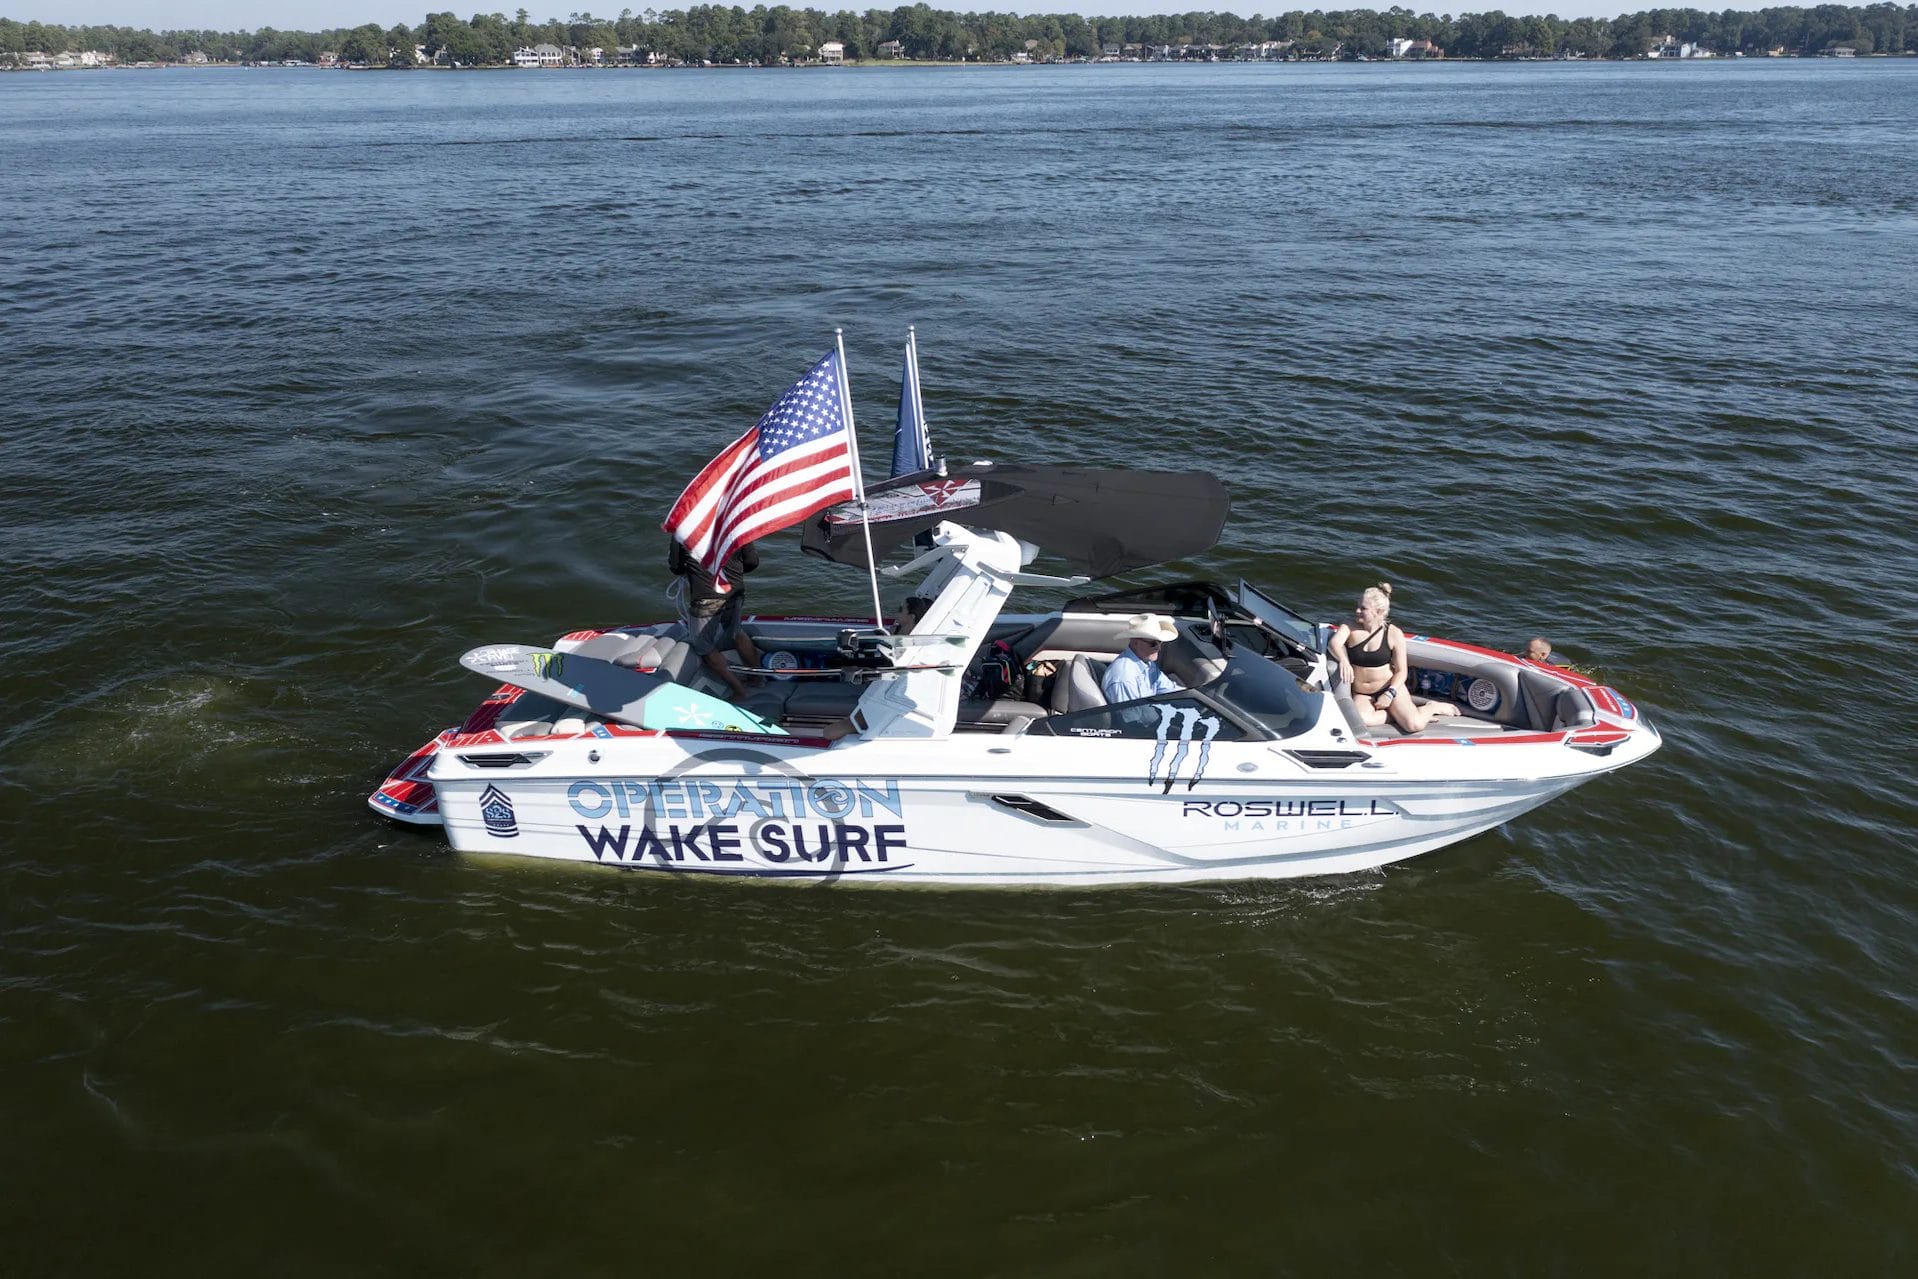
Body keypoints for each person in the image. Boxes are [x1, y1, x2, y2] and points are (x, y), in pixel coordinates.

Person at [1331, 582, 1457, 733]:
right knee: (1362, 720)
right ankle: (1397, 715)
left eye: (1363, 608)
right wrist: (1344, 660)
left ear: (1378, 611)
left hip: (1388, 687)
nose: (1357, 611)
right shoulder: (1349, 627)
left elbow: (1401, 671)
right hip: (1362, 693)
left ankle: (1431, 708)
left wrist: (1389, 694)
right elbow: (1334, 643)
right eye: (1358, 606)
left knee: (1414, 725)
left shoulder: (1394, 634)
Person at [667, 535, 763, 701]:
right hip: (734, 590)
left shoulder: (684, 528)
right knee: (736, 631)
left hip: (706, 595)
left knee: (703, 646)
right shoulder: (735, 524)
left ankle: (739, 691)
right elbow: (752, 561)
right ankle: (757, 678)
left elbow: (675, 566)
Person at [1102, 614, 1184, 704]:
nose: (1159, 648)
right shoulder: (1125, 680)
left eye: (1160, 642)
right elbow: (1131, 717)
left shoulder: (1147, 662)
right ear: (1136, 643)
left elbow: (1170, 690)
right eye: (1153, 644)